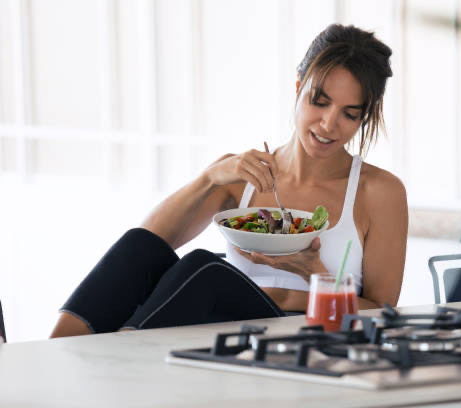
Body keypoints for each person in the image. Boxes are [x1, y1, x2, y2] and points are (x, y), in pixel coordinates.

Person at [50, 23, 408, 338]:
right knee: (139, 247)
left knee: (205, 269)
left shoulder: (379, 192)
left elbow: (381, 309)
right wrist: (208, 178)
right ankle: (58, 351)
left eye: (349, 114)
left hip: (307, 331)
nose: (329, 125)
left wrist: (314, 275)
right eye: (320, 102)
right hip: (224, 327)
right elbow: (146, 248)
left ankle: (119, 359)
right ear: (298, 86)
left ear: (366, 116)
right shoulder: (242, 175)